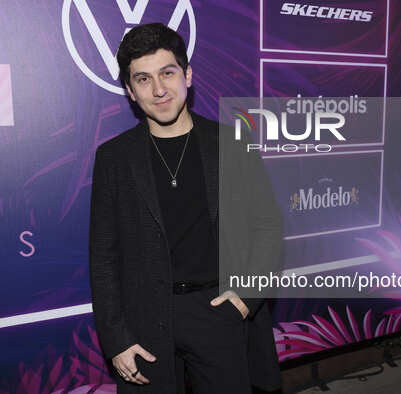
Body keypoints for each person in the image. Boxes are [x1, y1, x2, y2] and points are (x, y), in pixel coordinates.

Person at [88, 23, 283, 394]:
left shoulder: (232, 143)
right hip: (144, 322)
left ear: (188, 75)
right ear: (130, 91)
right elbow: (103, 256)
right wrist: (115, 339)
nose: (159, 89)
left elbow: (267, 228)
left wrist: (245, 300)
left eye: (168, 73)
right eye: (143, 79)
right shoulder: (113, 158)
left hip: (218, 310)